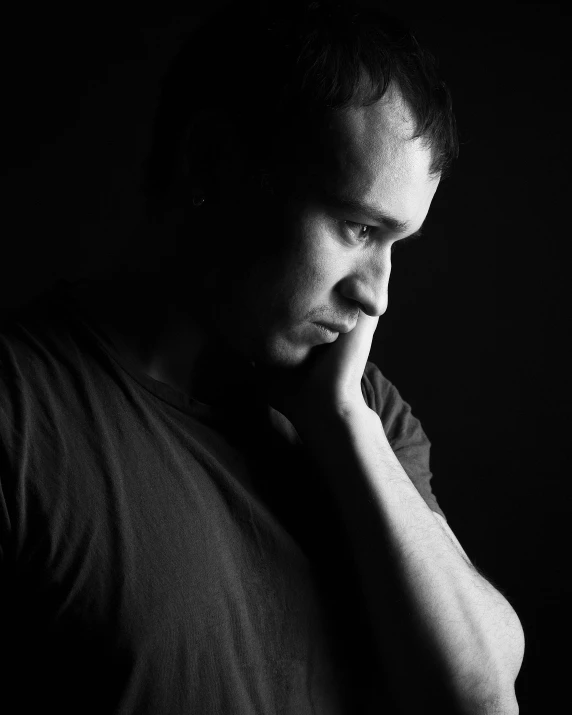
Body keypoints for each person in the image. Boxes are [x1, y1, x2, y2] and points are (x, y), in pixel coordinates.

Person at [0, 1, 524, 713]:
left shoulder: (365, 413)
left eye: (397, 244)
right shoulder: (20, 414)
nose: (377, 297)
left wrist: (344, 424)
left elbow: (482, 695)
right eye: (357, 227)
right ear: (211, 165)